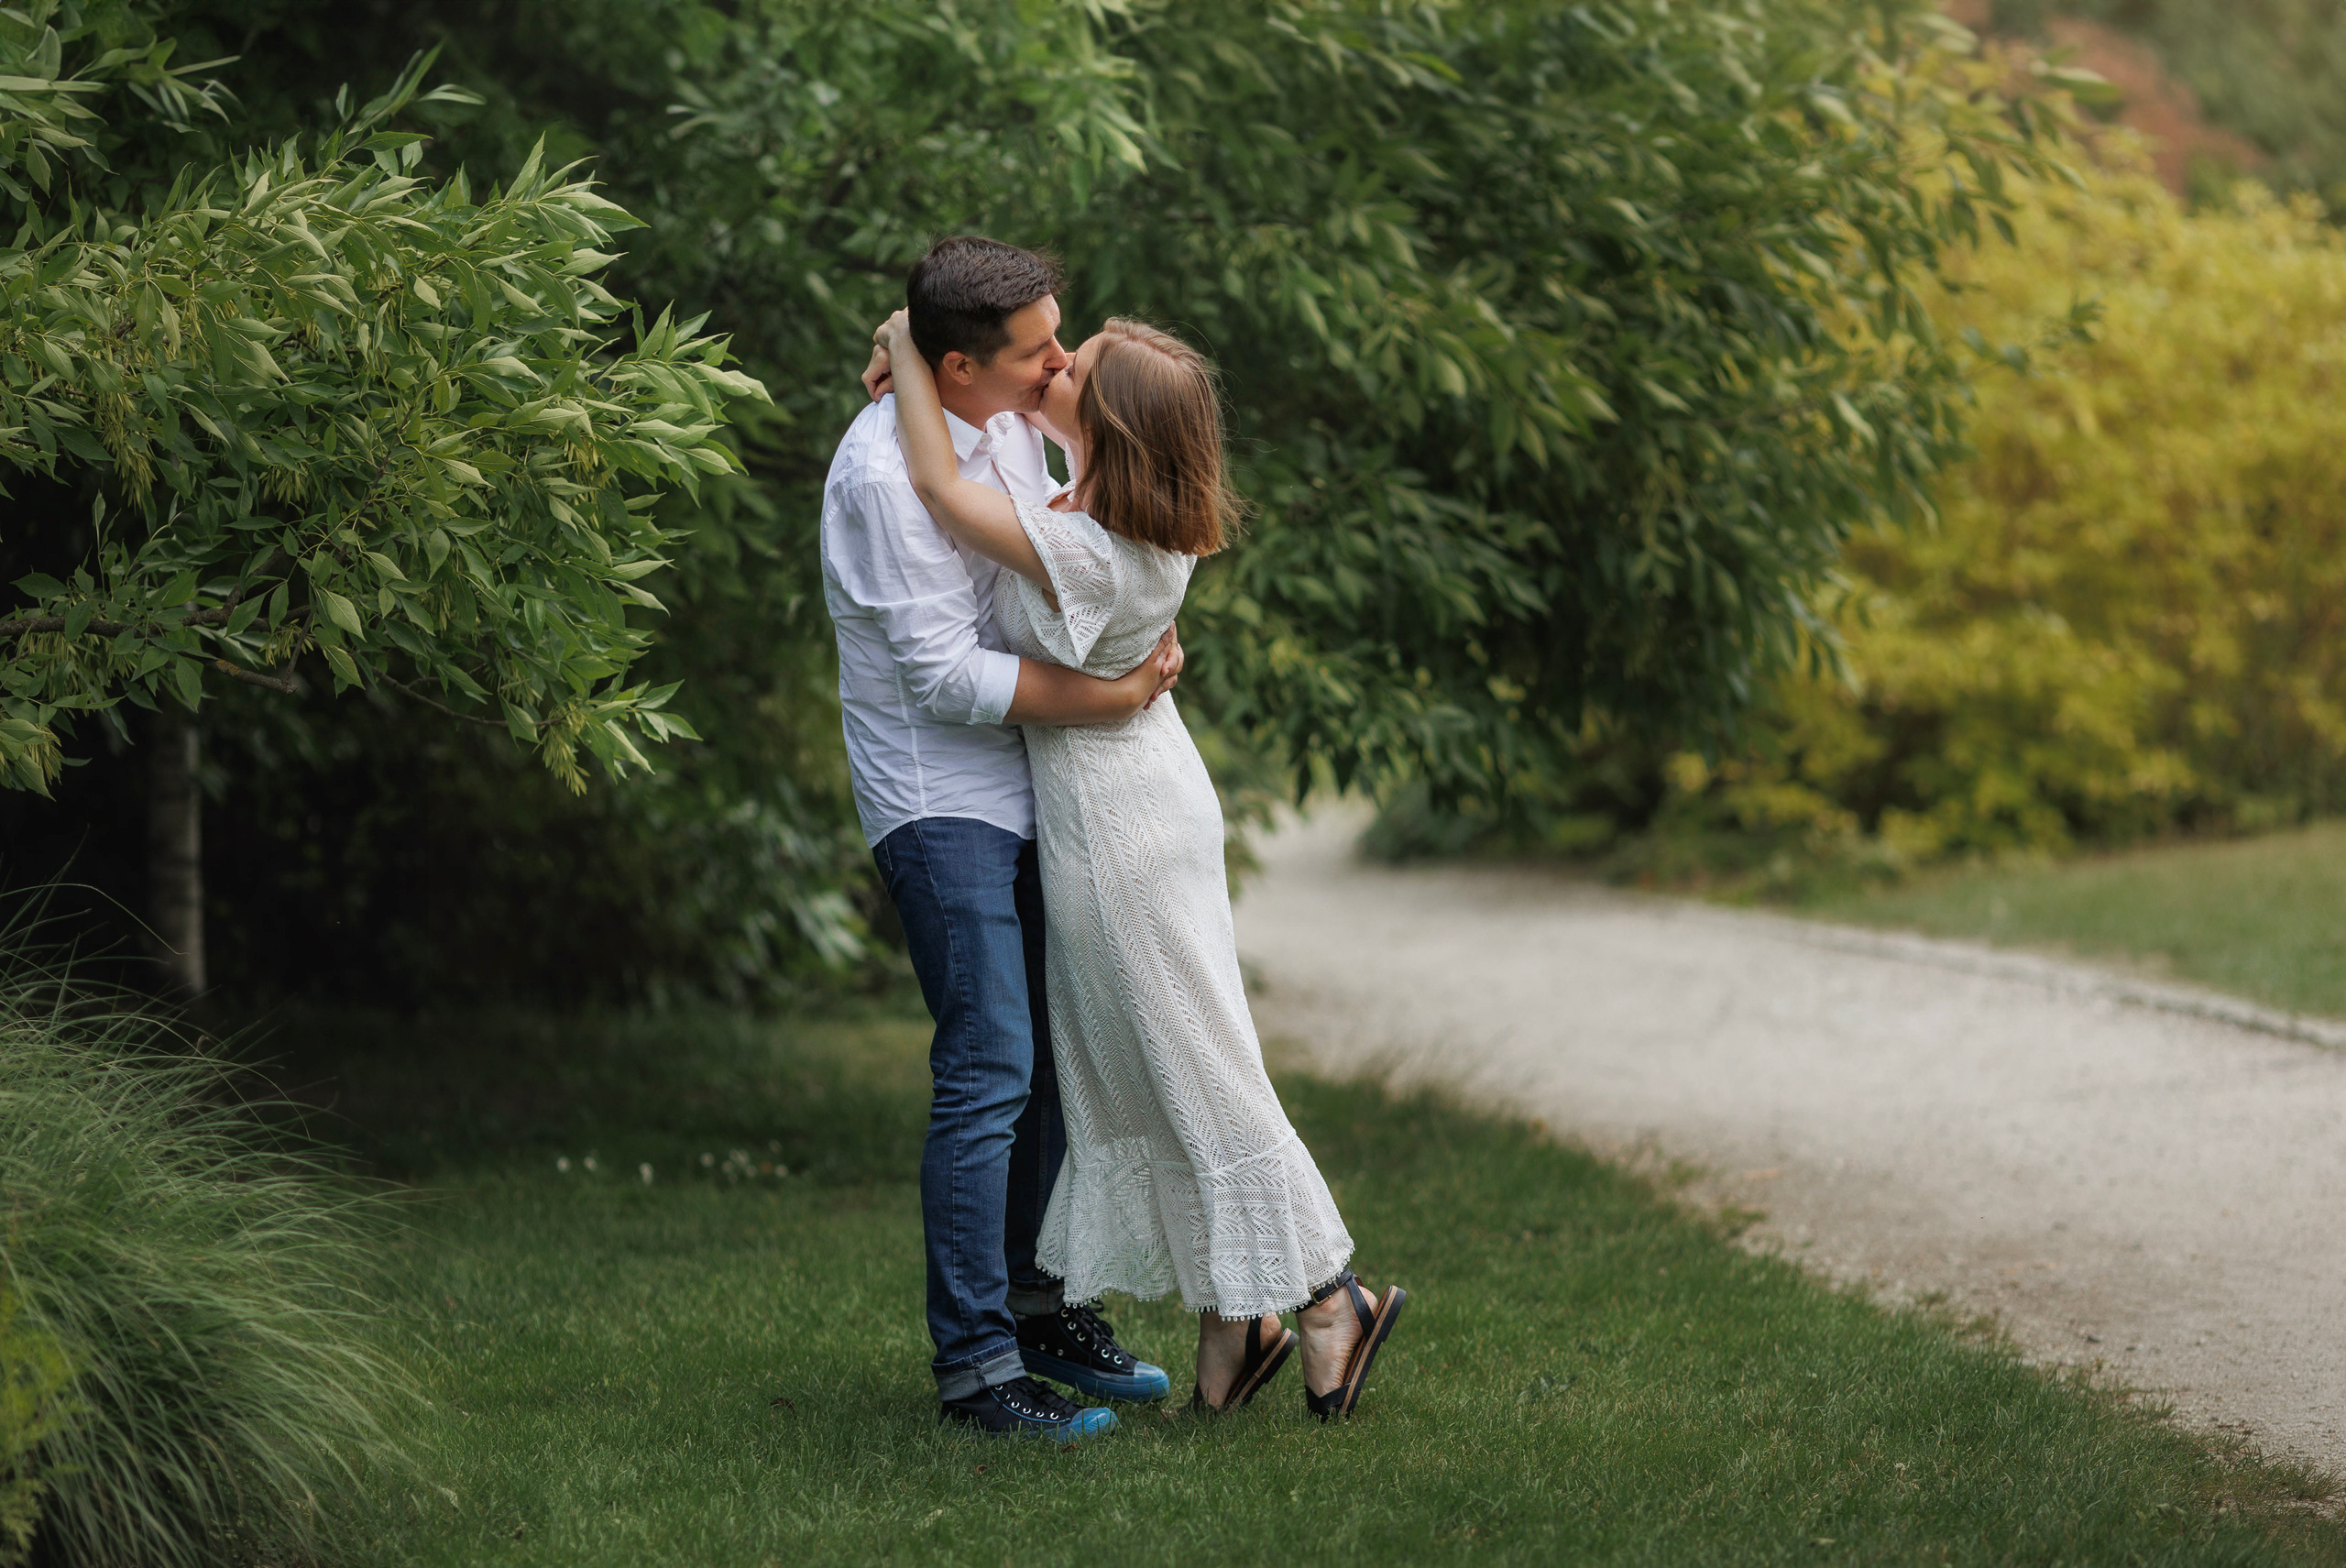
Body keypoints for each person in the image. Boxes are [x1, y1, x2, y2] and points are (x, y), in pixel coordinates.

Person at [864, 297, 1409, 1423]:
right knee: (1145, 1074)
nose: (1053, 365)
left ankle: (1326, 1297)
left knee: (1196, 1066)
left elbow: (936, 489)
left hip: (1123, 830)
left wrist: (905, 350)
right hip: (1114, 808)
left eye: (1073, 367)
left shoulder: (1085, 543)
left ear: (1104, 425)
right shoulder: (1107, 512)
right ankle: (1236, 1317)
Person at [820, 237, 1176, 1442]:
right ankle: (977, 1368)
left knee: (1054, 1062)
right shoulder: (882, 476)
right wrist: (1114, 698)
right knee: (990, 1069)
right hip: (941, 804)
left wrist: (896, 335)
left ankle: (1037, 1304)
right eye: (1038, 349)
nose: (1061, 363)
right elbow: (940, 675)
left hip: (1041, 789)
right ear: (961, 364)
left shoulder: (1007, 420)